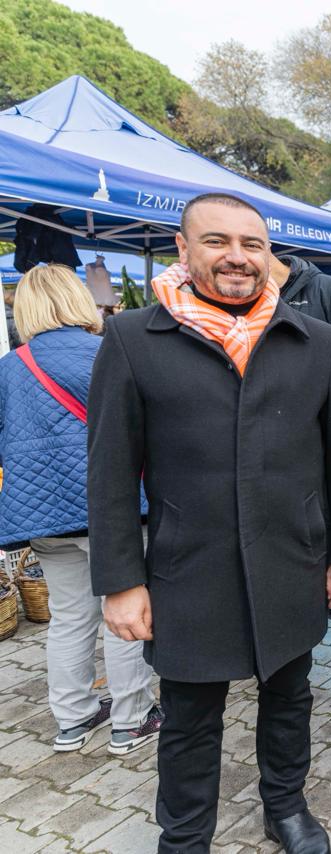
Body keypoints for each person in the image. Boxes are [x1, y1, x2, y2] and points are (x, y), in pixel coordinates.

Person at [88, 193, 331, 854]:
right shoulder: (133, 340)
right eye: (217, 241)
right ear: (183, 251)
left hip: (289, 558)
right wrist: (121, 580)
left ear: (270, 256)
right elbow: (109, 472)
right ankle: (185, 835)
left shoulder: (318, 343)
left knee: (289, 697)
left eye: (252, 244)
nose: (237, 257)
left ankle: (286, 806)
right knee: (190, 715)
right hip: (189, 565)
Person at [0, 265, 160, 755]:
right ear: (77, 298)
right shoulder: (108, 352)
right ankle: (131, 719)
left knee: (69, 618)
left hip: (41, 518)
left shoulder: (10, 367)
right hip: (112, 513)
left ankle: (72, 719)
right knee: (128, 610)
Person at [268, 253, 331, 625]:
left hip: (326, 424)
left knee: (327, 505)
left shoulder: (324, 288)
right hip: (273, 433)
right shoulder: (244, 296)